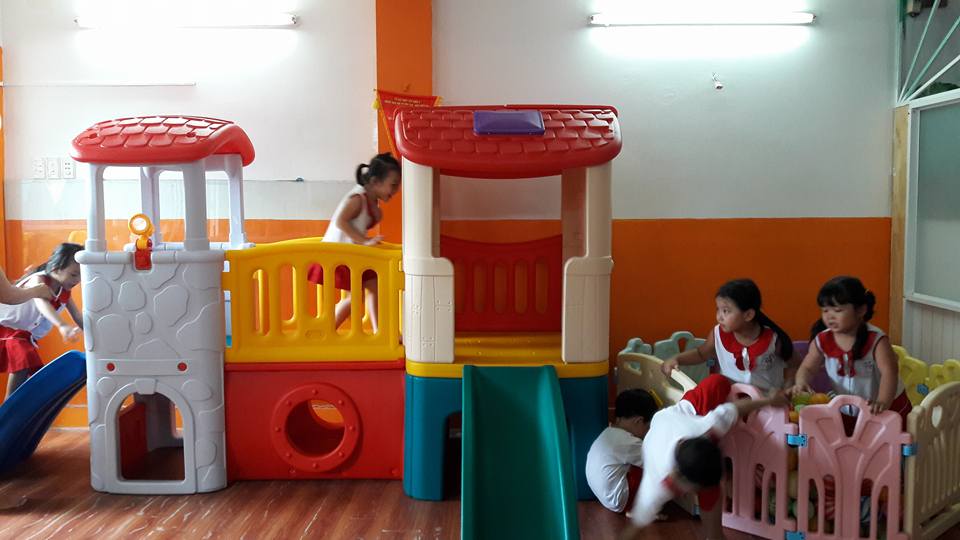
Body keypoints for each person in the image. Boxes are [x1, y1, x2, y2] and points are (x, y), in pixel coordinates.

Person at [621, 374, 789, 540]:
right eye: (695, 488)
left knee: (718, 382)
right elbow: (635, 525)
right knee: (710, 492)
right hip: (664, 426)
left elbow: (736, 407)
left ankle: (715, 536)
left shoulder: (708, 427)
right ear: (677, 478)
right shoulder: (656, 484)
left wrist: (770, 400)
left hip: (681, 418)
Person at [790, 276, 910, 426]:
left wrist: (883, 402)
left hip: (887, 406)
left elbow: (889, 372)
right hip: (848, 409)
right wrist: (801, 382)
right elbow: (808, 367)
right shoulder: (822, 340)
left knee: (890, 439)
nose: (830, 316)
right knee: (851, 439)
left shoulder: (876, 340)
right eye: (825, 310)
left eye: (837, 310)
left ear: (860, 310)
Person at [307, 152, 401, 334]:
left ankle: (379, 331)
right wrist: (365, 241)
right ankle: (326, 331)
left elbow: (365, 220)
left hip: (353, 254)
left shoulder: (370, 200)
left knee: (374, 286)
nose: (396, 191)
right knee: (356, 297)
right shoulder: (357, 199)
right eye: (393, 185)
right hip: (339, 254)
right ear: (375, 182)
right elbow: (340, 222)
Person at [662, 278, 797, 391]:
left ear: (748, 315)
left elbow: (794, 364)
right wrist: (676, 359)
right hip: (731, 400)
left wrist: (788, 385)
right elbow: (701, 354)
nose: (719, 317)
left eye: (725, 311)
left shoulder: (773, 339)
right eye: (718, 310)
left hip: (767, 402)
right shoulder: (717, 334)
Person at [1, 243, 84, 399]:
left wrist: (94, 333)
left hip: (23, 335)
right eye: (74, 274)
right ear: (55, 268)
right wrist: (62, 325)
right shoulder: (38, 280)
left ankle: (15, 402)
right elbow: (42, 304)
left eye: (81, 275)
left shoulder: (64, 291)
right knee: (23, 357)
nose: (77, 280)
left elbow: (77, 316)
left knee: (25, 363)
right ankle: (9, 403)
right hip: (5, 329)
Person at [586, 389, 659, 513]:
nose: (648, 432)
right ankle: (637, 508)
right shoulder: (629, 443)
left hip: (603, 496)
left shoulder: (608, 433)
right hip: (618, 501)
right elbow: (656, 462)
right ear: (638, 421)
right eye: (648, 427)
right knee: (654, 464)